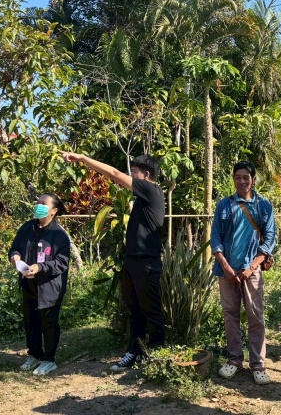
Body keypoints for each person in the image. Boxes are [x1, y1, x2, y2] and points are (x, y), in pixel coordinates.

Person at [62, 152, 165, 371]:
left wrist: (82, 159)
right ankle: (135, 353)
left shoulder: (152, 190)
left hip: (146, 262)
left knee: (151, 311)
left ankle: (157, 358)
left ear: (146, 175)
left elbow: (115, 174)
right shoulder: (143, 199)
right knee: (135, 311)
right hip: (133, 261)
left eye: (134, 172)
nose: (131, 176)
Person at [211, 161, 276, 385]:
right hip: (227, 271)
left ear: (253, 180)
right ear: (233, 179)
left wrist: (251, 267)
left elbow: (269, 240)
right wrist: (226, 266)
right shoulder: (224, 205)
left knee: (255, 316)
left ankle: (258, 364)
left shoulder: (264, 206)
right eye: (238, 177)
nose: (242, 181)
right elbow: (216, 237)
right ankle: (234, 359)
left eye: (246, 177)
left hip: (252, 270)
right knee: (230, 315)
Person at [9, 194, 71, 376]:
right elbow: (14, 248)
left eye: (43, 204)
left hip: (49, 287)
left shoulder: (59, 235)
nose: (38, 206)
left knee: (49, 324)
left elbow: (62, 262)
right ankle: (34, 355)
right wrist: (15, 257)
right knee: (31, 323)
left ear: (54, 210)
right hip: (28, 284)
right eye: (37, 203)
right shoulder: (27, 228)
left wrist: (40, 267)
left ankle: (49, 360)